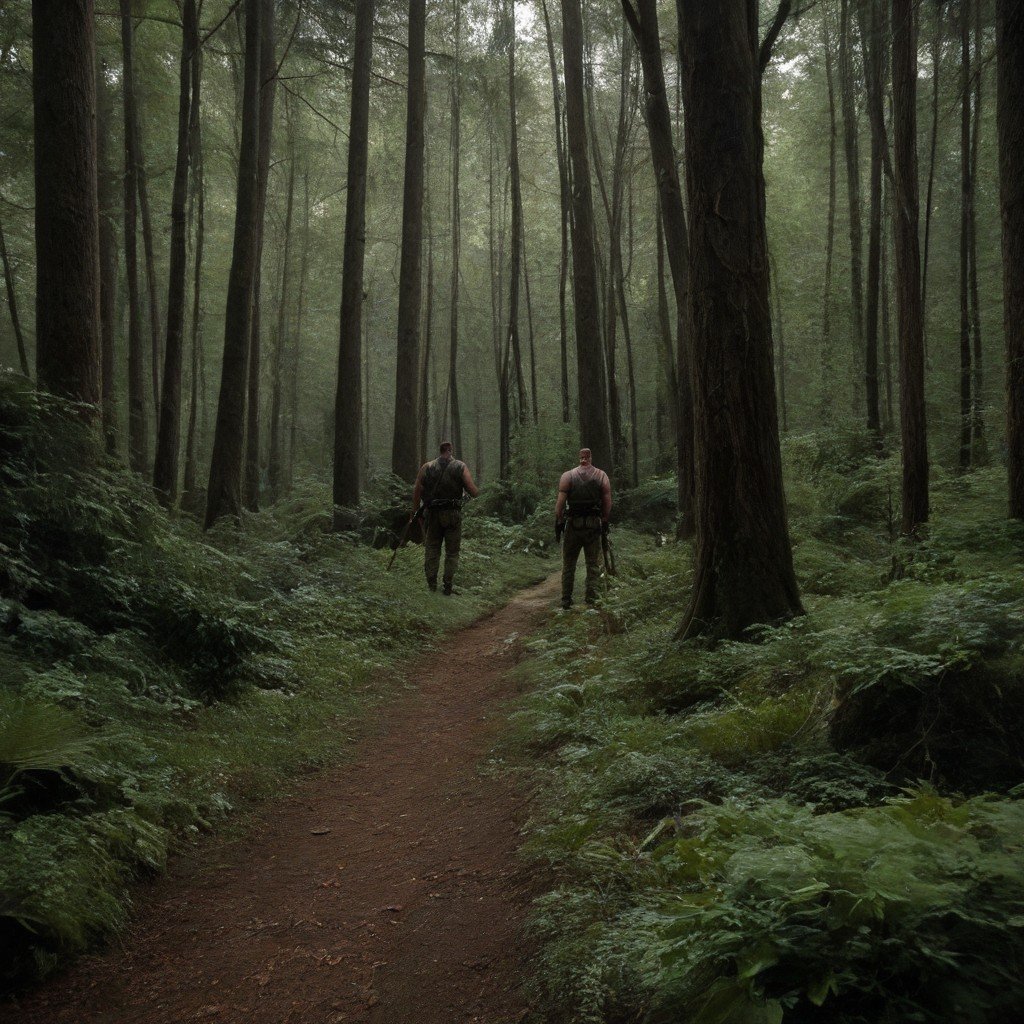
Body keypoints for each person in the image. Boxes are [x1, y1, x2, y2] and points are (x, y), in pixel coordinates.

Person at [411, 441, 480, 595]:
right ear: (450, 450)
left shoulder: (427, 467)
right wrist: (481, 493)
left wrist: (416, 513)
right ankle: (447, 586)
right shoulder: (460, 466)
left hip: (433, 515)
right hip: (452, 516)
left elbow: (416, 491)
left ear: (440, 451)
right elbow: (473, 491)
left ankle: (431, 586)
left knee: (432, 549)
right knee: (452, 552)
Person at [555, 448, 612, 609]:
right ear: (590, 458)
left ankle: (566, 599)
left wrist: (559, 522)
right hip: (593, 526)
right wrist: (605, 520)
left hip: (573, 525)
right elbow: (607, 503)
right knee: (593, 564)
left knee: (569, 564)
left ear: (581, 458)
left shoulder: (568, 476)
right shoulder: (601, 475)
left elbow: (559, 506)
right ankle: (591, 599)